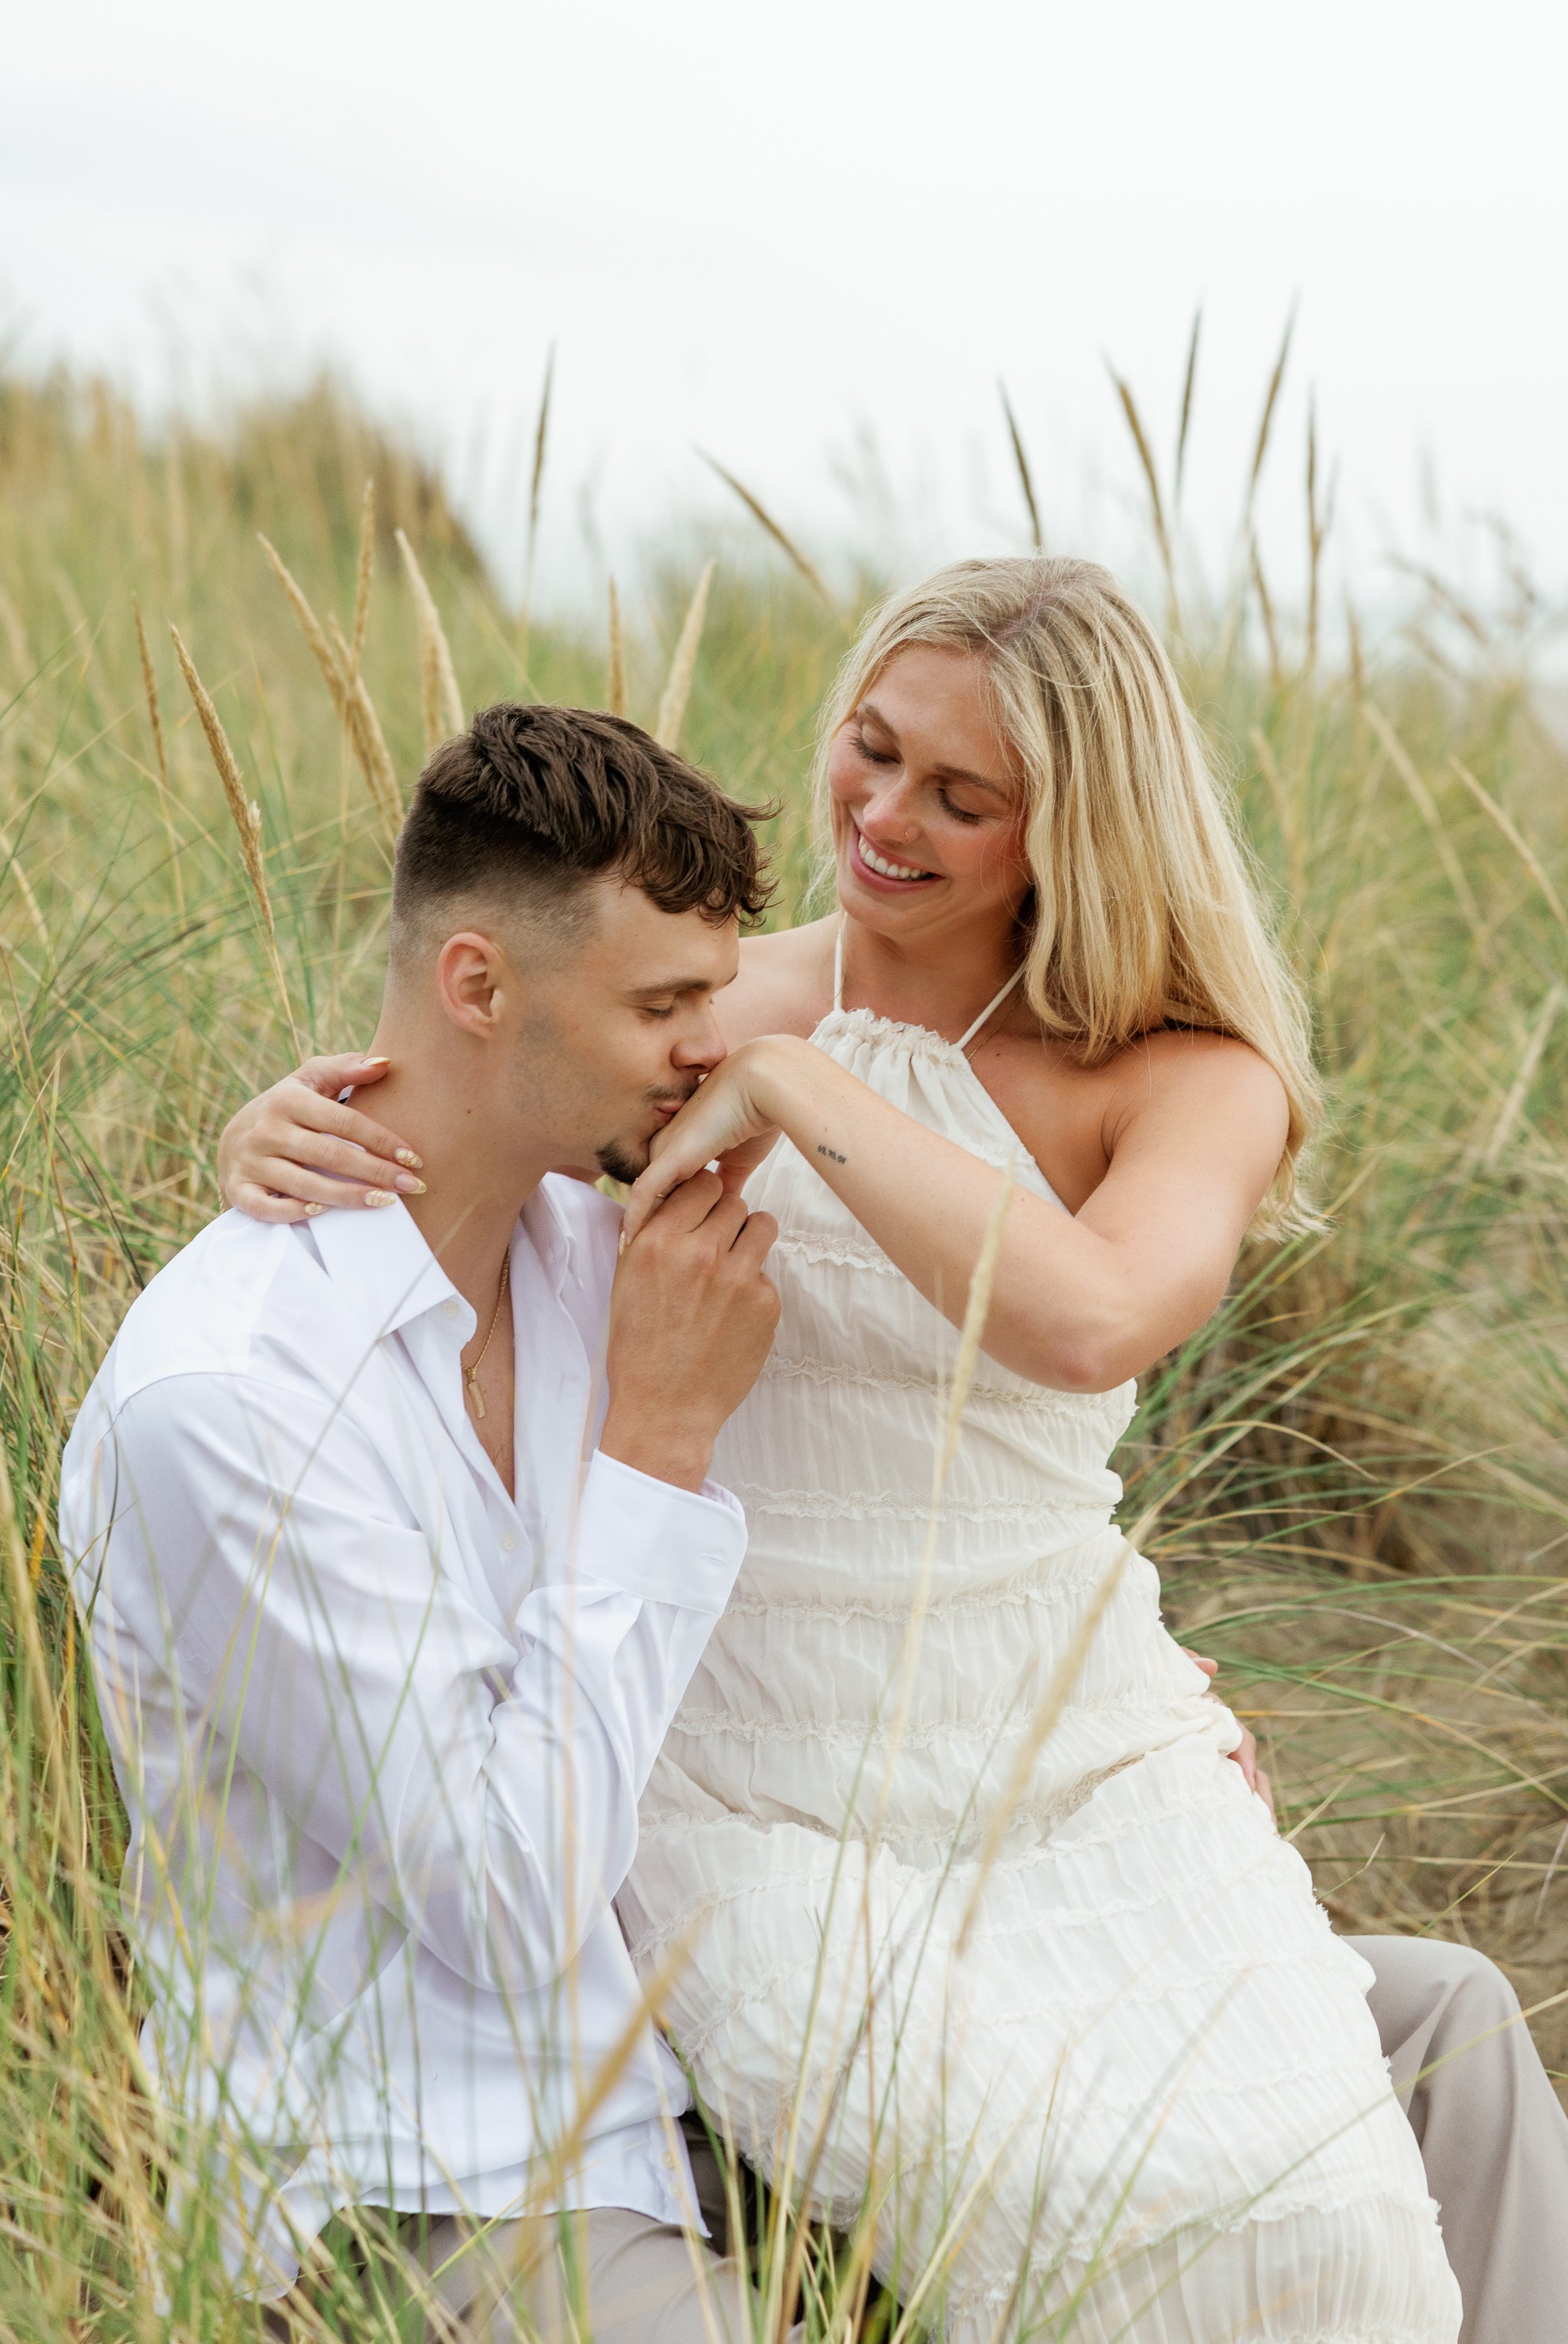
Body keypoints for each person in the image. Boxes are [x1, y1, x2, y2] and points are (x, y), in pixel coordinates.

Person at [218, 561, 1568, 2343]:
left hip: (1075, 1740)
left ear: (1073, 831)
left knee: (1320, 2209)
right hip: (757, 1767)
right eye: (872, 748)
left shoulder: (1187, 1077)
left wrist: (804, 1082)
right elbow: (474, 1106)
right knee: (1069, 2195)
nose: (882, 815)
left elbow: (1090, 1317)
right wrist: (273, 1127)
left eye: (962, 796)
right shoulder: (705, 1003)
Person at [60, 709, 793, 2343]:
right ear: (478, 985)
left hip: (716, 2075)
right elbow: (508, 1903)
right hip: (425, 2185)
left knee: (1349, 2073)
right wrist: (658, 1449)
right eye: (663, 1007)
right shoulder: (231, 1402)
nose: (712, 1051)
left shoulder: (616, 1267)